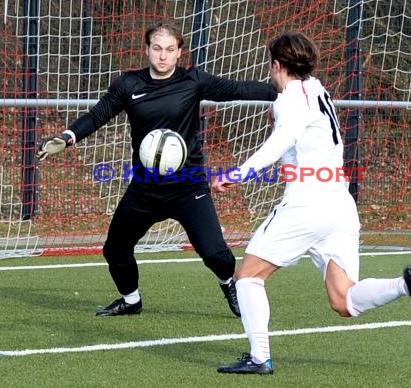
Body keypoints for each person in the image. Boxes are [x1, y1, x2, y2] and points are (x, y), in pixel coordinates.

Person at [214, 32, 411, 375]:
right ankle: (404, 285)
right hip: (339, 204)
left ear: (275, 65)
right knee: (343, 300)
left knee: (247, 277)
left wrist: (237, 173)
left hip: (307, 203)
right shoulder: (319, 90)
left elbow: (281, 141)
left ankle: (260, 357)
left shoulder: (289, 99)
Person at [36, 21, 277, 317]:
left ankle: (229, 284)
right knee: (115, 250)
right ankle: (131, 300)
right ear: (147, 50)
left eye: (170, 50)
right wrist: (67, 137)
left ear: (179, 53)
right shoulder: (128, 84)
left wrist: (286, 90)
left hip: (188, 187)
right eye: (157, 48)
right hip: (144, 190)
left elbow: (238, 89)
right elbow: (98, 114)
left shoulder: (193, 81)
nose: (163, 56)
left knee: (215, 254)